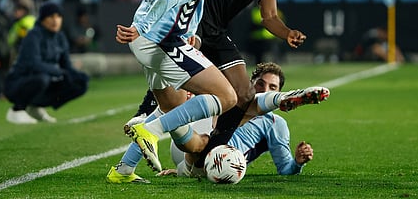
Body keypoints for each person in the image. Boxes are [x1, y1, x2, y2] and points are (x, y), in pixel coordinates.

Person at [99, 0, 307, 170]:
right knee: (195, 98)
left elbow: (268, 16)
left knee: (242, 94)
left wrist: (287, 32)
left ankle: (207, 154)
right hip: (182, 26)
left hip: (213, 31)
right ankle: (153, 129)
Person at [106, 62, 329, 183]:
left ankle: (127, 163)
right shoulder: (230, 97)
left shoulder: (275, 124)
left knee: (174, 110)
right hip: (197, 145)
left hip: (212, 163)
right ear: (249, 82)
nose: (264, 88)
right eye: (260, 84)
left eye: (272, 88)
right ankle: (284, 99)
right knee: (185, 102)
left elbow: (285, 168)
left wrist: (298, 163)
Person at [3, 2, 89, 124]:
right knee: (42, 78)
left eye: (58, 16)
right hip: (17, 83)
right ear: (43, 19)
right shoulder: (33, 35)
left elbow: (66, 66)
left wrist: (77, 75)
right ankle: (17, 109)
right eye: (51, 17)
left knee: (79, 83)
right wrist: (60, 72)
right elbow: (34, 64)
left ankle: (35, 106)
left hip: (44, 79)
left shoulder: (60, 37)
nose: (55, 20)